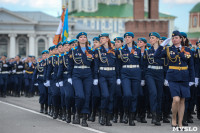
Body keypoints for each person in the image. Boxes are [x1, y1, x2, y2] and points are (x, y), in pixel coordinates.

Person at [154, 30, 195, 127]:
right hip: (172, 77)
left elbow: (191, 66)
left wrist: (192, 80)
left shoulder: (188, 50)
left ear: (181, 39)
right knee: (176, 99)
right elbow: (156, 56)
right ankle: (173, 118)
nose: (174, 39)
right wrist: (161, 46)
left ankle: (180, 122)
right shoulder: (168, 49)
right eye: (173, 38)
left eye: (176, 38)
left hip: (184, 77)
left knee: (182, 101)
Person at [68, 32, 94, 127]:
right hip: (77, 74)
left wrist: (94, 77)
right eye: (81, 37)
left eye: (84, 37)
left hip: (88, 74)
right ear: (78, 39)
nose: (83, 39)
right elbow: (70, 65)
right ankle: (77, 112)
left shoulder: (91, 50)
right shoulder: (73, 50)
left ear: (86, 39)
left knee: (87, 96)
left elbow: (93, 65)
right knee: (80, 95)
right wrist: (69, 77)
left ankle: (84, 118)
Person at [93, 33, 118, 126]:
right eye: (100, 39)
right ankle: (102, 115)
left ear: (107, 39)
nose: (101, 40)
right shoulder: (98, 51)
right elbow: (95, 65)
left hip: (112, 75)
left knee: (111, 97)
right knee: (105, 95)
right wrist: (95, 77)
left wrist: (118, 77)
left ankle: (108, 118)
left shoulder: (114, 50)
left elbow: (117, 65)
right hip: (102, 75)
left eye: (103, 38)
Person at [117, 32, 142, 126]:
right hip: (125, 73)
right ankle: (125, 112)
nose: (127, 39)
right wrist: (119, 77)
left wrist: (142, 77)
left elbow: (141, 63)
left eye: (129, 37)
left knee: (134, 96)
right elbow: (118, 65)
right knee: (127, 94)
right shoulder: (121, 50)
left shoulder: (138, 50)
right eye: (126, 37)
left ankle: (131, 117)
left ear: (132, 38)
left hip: (136, 73)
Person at [144, 32, 164, 126]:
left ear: (157, 39)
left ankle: (158, 115)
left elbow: (166, 64)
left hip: (160, 73)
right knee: (153, 93)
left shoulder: (163, 50)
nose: (150, 39)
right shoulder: (147, 50)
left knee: (159, 95)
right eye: (150, 38)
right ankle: (154, 115)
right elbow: (143, 65)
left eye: (152, 38)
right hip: (150, 73)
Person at [88, 37, 101, 122]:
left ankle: (101, 114)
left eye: (96, 42)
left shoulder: (105, 51)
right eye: (94, 42)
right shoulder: (90, 52)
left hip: (103, 75)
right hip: (93, 76)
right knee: (95, 95)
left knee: (103, 95)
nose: (94, 44)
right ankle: (92, 112)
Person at [113, 37, 124, 123]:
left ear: (122, 43)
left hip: (123, 76)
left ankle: (122, 115)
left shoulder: (123, 51)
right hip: (115, 76)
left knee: (123, 96)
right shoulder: (113, 52)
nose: (116, 43)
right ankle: (115, 114)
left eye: (118, 42)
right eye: (115, 42)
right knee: (117, 96)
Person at [136, 37, 148, 123]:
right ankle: (136, 114)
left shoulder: (148, 52)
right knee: (138, 95)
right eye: (138, 42)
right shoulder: (135, 52)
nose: (139, 43)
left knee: (145, 97)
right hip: (137, 76)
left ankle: (143, 115)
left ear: (144, 44)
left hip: (146, 76)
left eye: (141, 42)